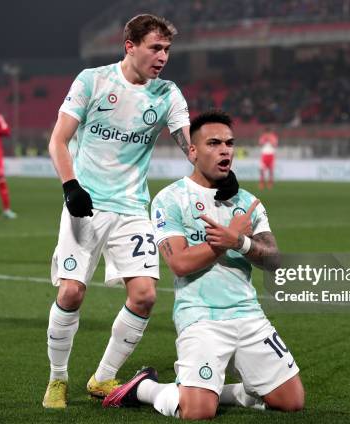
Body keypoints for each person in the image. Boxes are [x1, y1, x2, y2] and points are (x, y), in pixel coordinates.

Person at [103, 110, 305, 418]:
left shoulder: (246, 202)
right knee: (198, 412)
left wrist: (240, 242)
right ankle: (145, 387)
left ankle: (217, 390)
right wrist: (224, 241)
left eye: (229, 143)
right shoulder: (171, 199)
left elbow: (274, 260)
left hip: (248, 314)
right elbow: (180, 263)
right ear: (192, 152)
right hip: (200, 318)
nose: (225, 149)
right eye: (213, 143)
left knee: (292, 401)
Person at [42, 14, 196, 409]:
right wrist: (70, 185)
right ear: (130, 46)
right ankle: (58, 379)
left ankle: (103, 377)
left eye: (167, 50)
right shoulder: (92, 81)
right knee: (72, 292)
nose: (162, 57)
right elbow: (59, 140)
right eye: (155, 48)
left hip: (131, 207)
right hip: (86, 205)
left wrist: (211, 165)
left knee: (144, 296)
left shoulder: (167, 94)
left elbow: (187, 143)